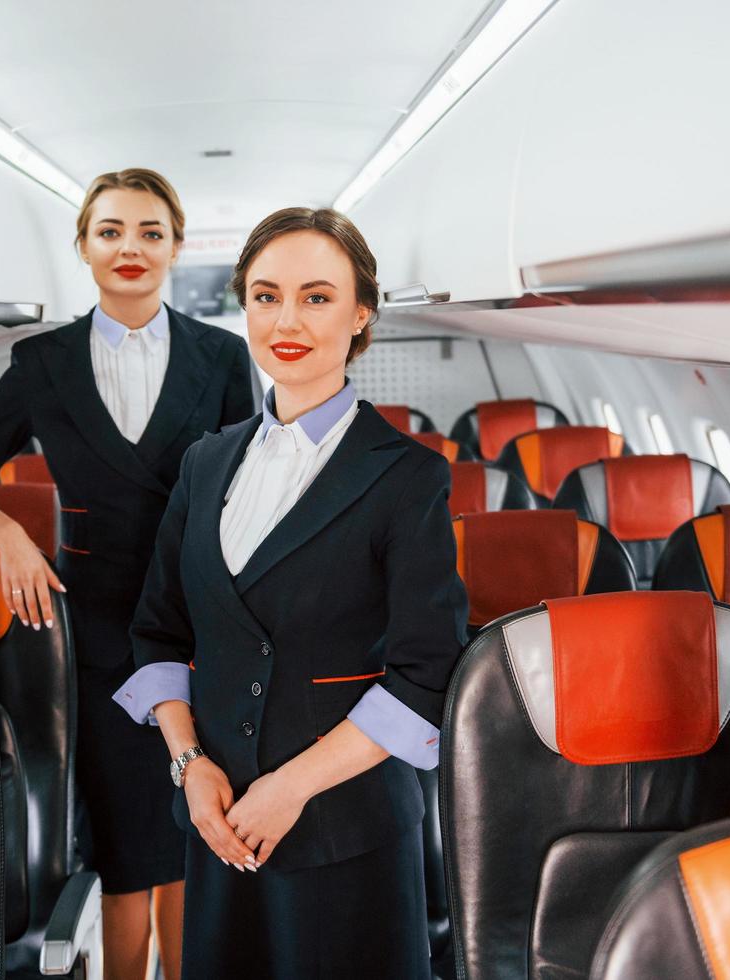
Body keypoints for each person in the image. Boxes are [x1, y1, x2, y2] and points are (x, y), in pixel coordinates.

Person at [113, 207, 469, 978]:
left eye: (317, 297)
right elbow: (159, 636)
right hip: (217, 825)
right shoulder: (205, 464)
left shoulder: (406, 477)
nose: (288, 320)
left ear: (361, 312)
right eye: (266, 296)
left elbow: (427, 672)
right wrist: (190, 766)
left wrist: (290, 788)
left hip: (347, 832)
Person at [0, 168, 255, 980]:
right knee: (121, 838)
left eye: (150, 232)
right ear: (83, 246)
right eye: (111, 231)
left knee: (192, 825)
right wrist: (5, 530)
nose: (131, 249)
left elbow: (246, 487)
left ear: (177, 247)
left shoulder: (221, 355)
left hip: (197, 626)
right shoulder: (40, 361)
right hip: (97, 630)